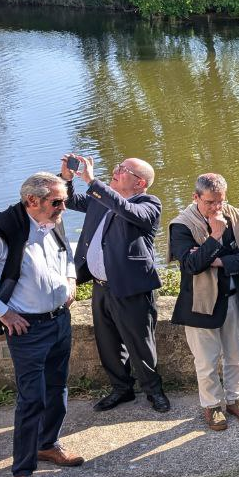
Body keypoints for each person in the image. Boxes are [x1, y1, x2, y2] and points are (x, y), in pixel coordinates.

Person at [0, 172, 84, 477]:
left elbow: (65, 253)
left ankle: (47, 444)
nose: (63, 208)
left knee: (58, 389)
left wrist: (70, 278)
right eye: (57, 202)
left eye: (64, 201)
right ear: (32, 201)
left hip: (59, 321)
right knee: (32, 400)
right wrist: (2, 311)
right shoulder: (2, 231)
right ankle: (22, 473)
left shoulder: (51, 220)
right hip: (27, 329)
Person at [63, 155, 170, 413]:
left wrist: (92, 180)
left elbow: (126, 210)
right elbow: (69, 200)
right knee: (108, 343)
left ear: (140, 182)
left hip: (131, 287)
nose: (115, 170)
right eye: (118, 167)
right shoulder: (102, 198)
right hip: (101, 286)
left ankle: (154, 391)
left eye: (123, 169)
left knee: (140, 343)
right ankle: (121, 389)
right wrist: (67, 178)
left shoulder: (148, 203)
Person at [169, 173, 239, 431]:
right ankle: (211, 407)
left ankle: (236, 400)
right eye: (210, 202)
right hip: (201, 305)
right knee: (207, 361)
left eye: (221, 201)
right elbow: (191, 265)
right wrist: (215, 236)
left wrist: (220, 261)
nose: (217, 208)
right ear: (195, 197)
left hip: (235, 299)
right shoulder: (181, 225)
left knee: (236, 356)